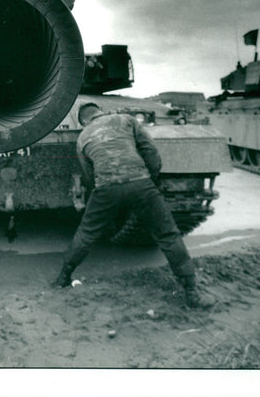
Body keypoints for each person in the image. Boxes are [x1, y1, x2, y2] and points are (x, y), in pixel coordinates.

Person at [54, 102, 214, 309]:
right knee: (168, 234)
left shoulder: (83, 137)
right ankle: (192, 293)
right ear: (101, 111)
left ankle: (63, 278)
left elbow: (89, 173)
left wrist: (105, 191)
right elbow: (151, 152)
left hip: (106, 188)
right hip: (141, 183)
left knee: (86, 232)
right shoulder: (126, 120)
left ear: (84, 120)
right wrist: (150, 181)